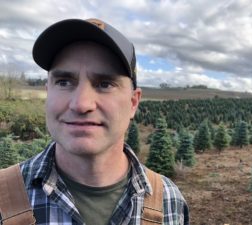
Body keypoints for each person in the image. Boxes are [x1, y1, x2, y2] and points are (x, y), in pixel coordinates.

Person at [6, 18, 189, 225]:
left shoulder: (169, 201)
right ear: (48, 93)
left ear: (133, 103)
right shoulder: (4, 196)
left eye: (105, 84)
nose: (81, 104)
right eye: (64, 82)